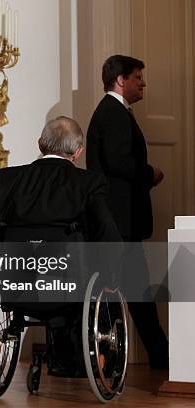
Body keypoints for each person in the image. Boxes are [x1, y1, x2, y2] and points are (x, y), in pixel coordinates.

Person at [0, 116, 123, 376]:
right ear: (78, 152)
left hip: (17, 288)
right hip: (69, 288)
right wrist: (109, 276)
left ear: (40, 144)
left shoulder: (6, 180)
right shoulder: (88, 183)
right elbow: (108, 234)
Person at [86, 54, 168, 369]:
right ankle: (132, 357)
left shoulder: (112, 112)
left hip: (117, 220)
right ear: (121, 80)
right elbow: (118, 162)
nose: (142, 83)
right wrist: (150, 174)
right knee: (128, 290)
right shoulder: (115, 113)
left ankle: (155, 354)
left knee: (133, 290)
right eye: (137, 77)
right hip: (119, 220)